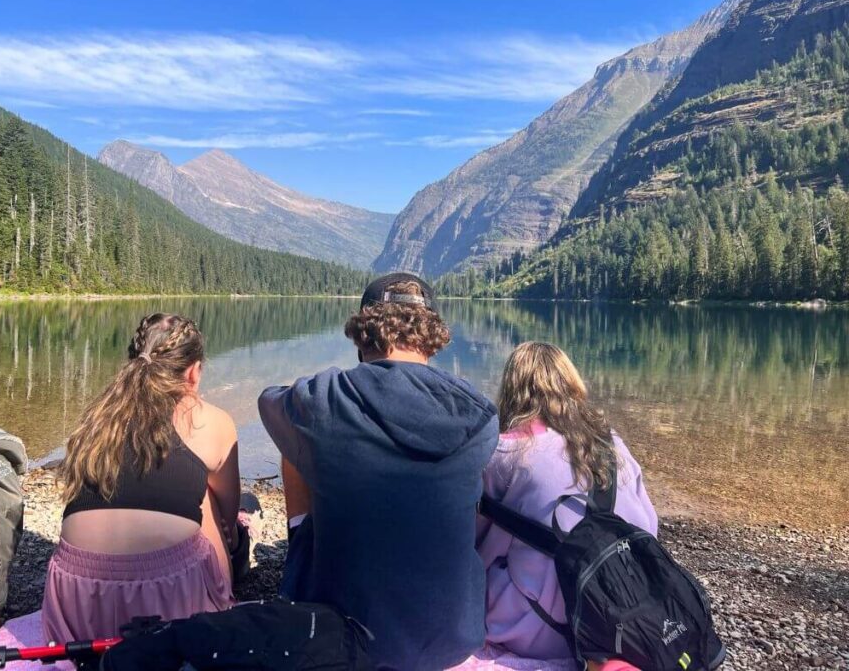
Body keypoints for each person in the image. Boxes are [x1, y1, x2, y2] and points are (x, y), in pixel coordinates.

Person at [258, 273, 499, 671]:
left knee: (298, 448)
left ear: (362, 335)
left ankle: (303, 550)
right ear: (431, 336)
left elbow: (269, 402)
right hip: (452, 641)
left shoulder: (326, 398)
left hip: (343, 637)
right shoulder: (479, 414)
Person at [41, 313, 243, 644]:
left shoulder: (99, 417)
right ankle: (220, 600)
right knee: (203, 492)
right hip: (169, 600)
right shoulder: (210, 420)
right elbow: (229, 513)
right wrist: (231, 536)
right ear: (192, 372)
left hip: (77, 597)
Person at [476, 342, 657, 668]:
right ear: (569, 383)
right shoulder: (612, 442)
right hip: (617, 622)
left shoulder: (504, 452)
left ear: (512, 388)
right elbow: (648, 527)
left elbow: (475, 545)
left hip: (537, 631)